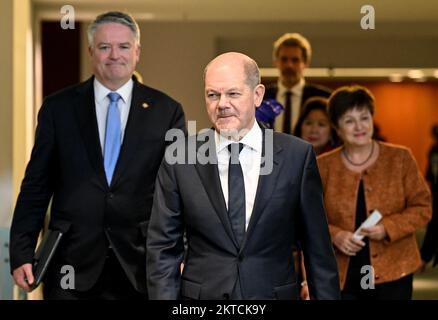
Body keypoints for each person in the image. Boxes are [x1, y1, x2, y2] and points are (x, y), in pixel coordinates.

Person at [9, 11, 186, 299]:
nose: (114, 55)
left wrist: (182, 250)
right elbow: (36, 186)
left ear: (137, 52)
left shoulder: (167, 112)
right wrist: (21, 251)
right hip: (70, 266)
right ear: (92, 52)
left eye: (124, 47)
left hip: (140, 266)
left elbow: (179, 191)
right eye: (105, 47)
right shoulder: (59, 108)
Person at [146, 52, 340, 300]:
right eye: (212, 95)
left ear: (257, 95)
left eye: (233, 93)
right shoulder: (180, 157)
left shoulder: (296, 156)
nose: (222, 104)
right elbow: (163, 248)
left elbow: (317, 249)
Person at [317, 85, 431, 300]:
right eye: (349, 121)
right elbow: (309, 217)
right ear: (337, 127)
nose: (359, 126)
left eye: (364, 117)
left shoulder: (400, 159)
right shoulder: (323, 166)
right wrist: (335, 235)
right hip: (342, 270)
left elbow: (422, 207)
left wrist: (387, 228)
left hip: (395, 267)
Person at [264, 33, 331, 134]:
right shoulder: (261, 97)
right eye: (284, 59)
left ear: (306, 63)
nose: (289, 65)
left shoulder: (323, 97)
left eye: (295, 60)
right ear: (276, 62)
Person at [420, 124, 438, 268]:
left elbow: (430, 174)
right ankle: (426, 255)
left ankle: (426, 256)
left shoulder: (433, 150)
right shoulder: (433, 150)